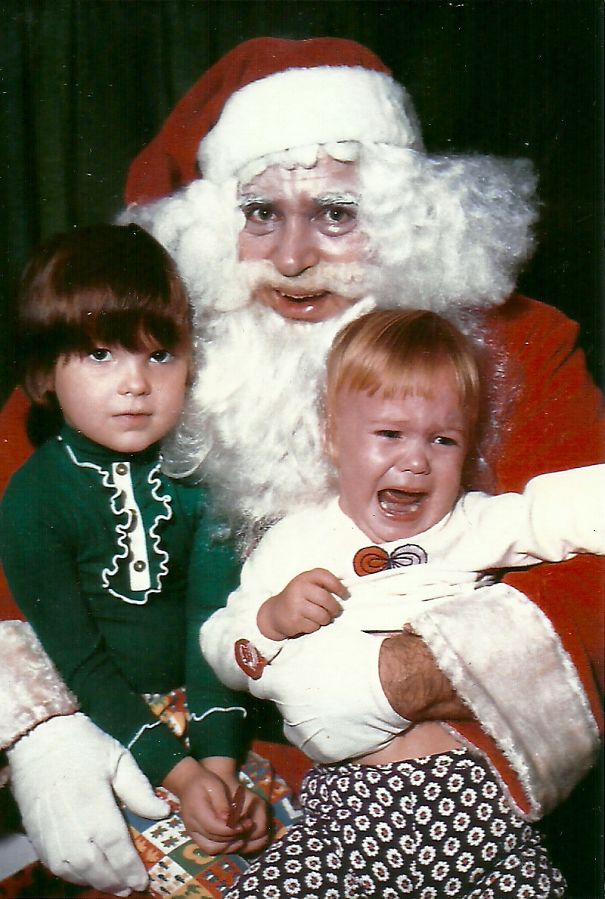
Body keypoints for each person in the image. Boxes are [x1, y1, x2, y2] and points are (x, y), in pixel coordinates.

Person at [0, 37, 602, 895]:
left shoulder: (518, 345)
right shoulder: (148, 353)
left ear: (404, 219)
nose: (291, 258)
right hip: (195, 772)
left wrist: (394, 678)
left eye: (334, 213)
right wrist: (38, 728)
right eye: (259, 214)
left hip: (436, 784)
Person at [201, 308, 604, 897]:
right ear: (332, 438)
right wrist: (270, 621)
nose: (416, 461)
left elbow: (553, 513)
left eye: (443, 440)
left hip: (479, 807)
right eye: (390, 435)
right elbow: (224, 643)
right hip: (345, 813)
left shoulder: (470, 523)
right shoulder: (295, 541)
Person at [0, 224, 274, 894]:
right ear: (43, 372)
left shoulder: (204, 477)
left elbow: (212, 622)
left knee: (274, 845)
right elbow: (80, 665)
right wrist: (179, 772)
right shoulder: (32, 503)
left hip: (213, 710)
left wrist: (218, 766)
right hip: (101, 720)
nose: (134, 384)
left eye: (159, 355)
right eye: (100, 355)